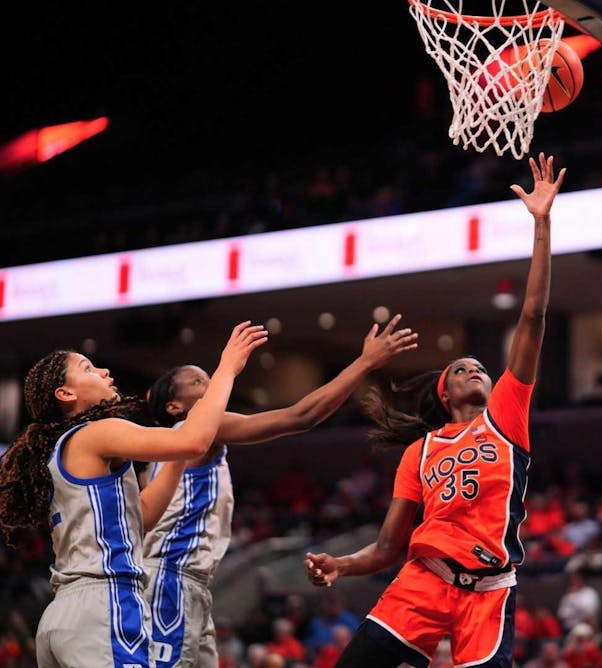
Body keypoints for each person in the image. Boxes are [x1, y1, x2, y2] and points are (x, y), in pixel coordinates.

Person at [303, 152, 566, 668]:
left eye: (480, 368)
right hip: (423, 581)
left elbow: (533, 315)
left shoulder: (506, 416)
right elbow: (385, 548)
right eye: (461, 368)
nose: (475, 370)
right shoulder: (420, 453)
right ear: (444, 393)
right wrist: (341, 564)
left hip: (489, 590)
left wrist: (542, 223)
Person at [142, 315, 418, 667]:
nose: (211, 387)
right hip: (171, 580)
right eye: (199, 382)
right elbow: (300, 416)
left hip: (185, 582)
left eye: (211, 379)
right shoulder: (192, 428)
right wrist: (365, 362)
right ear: (174, 408)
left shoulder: (160, 454)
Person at [0, 321, 267, 668]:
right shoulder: (97, 431)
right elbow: (195, 440)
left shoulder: (60, 451)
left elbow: (139, 517)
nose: (103, 370)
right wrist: (226, 369)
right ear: (66, 394)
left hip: (62, 616)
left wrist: (176, 459)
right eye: (87, 368)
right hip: (104, 603)